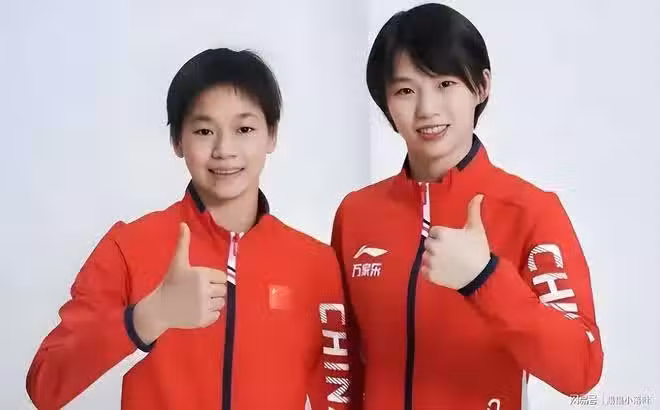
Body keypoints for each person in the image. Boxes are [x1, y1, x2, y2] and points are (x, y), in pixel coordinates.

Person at [27, 48, 355, 410]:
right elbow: (45, 384)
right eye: (204, 131)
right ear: (178, 142)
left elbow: (339, 397)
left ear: (271, 135)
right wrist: (147, 318)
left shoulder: (315, 263)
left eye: (244, 129)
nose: (224, 149)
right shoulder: (129, 247)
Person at [331, 4, 603, 410]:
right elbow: (339, 363)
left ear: (481, 87)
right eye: (405, 90)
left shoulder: (529, 211)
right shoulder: (356, 214)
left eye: (445, 83)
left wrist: (484, 278)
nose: (427, 108)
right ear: (385, 103)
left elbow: (580, 367)